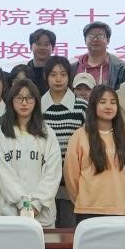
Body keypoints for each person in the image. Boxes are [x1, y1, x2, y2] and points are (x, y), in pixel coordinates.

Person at [0, 79, 62, 225]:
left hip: (42, 216)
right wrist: (22, 204)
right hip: (9, 214)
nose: (24, 103)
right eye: (19, 98)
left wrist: (35, 205)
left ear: (36, 101)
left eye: (29, 98)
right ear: (11, 101)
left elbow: (53, 174)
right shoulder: (1, 134)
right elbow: (3, 174)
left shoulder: (48, 134)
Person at [63, 85, 125, 221]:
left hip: (122, 207)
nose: (108, 106)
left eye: (113, 102)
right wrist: (81, 199)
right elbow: (71, 175)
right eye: (102, 102)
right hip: (88, 209)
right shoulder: (79, 136)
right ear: (93, 105)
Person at [41, 56, 86, 229]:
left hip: (73, 182)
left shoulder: (81, 106)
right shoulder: (37, 107)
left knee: (70, 231)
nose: (58, 79)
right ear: (46, 77)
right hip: (43, 182)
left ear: (69, 77)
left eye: (63, 74)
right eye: (53, 75)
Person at [74, 22, 125, 88]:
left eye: (100, 36)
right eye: (91, 36)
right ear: (85, 40)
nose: (95, 39)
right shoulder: (74, 68)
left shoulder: (120, 68)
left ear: (108, 40)